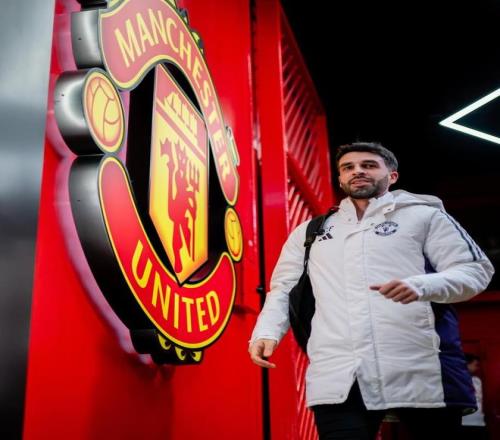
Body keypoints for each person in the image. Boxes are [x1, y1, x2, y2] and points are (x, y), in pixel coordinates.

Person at [248, 142, 495, 439]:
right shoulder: (310, 231)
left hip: (422, 366)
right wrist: (267, 331)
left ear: (392, 176)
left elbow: (475, 270)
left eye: (368, 165)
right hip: (338, 372)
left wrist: (421, 285)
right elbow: (283, 288)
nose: (357, 171)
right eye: (348, 167)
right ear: (340, 178)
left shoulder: (425, 216)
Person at [461, 354, 488, 439]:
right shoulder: (457, 380)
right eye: (476, 365)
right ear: (467, 364)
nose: (477, 368)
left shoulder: (476, 380)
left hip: (479, 421)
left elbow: (480, 399)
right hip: (464, 421)